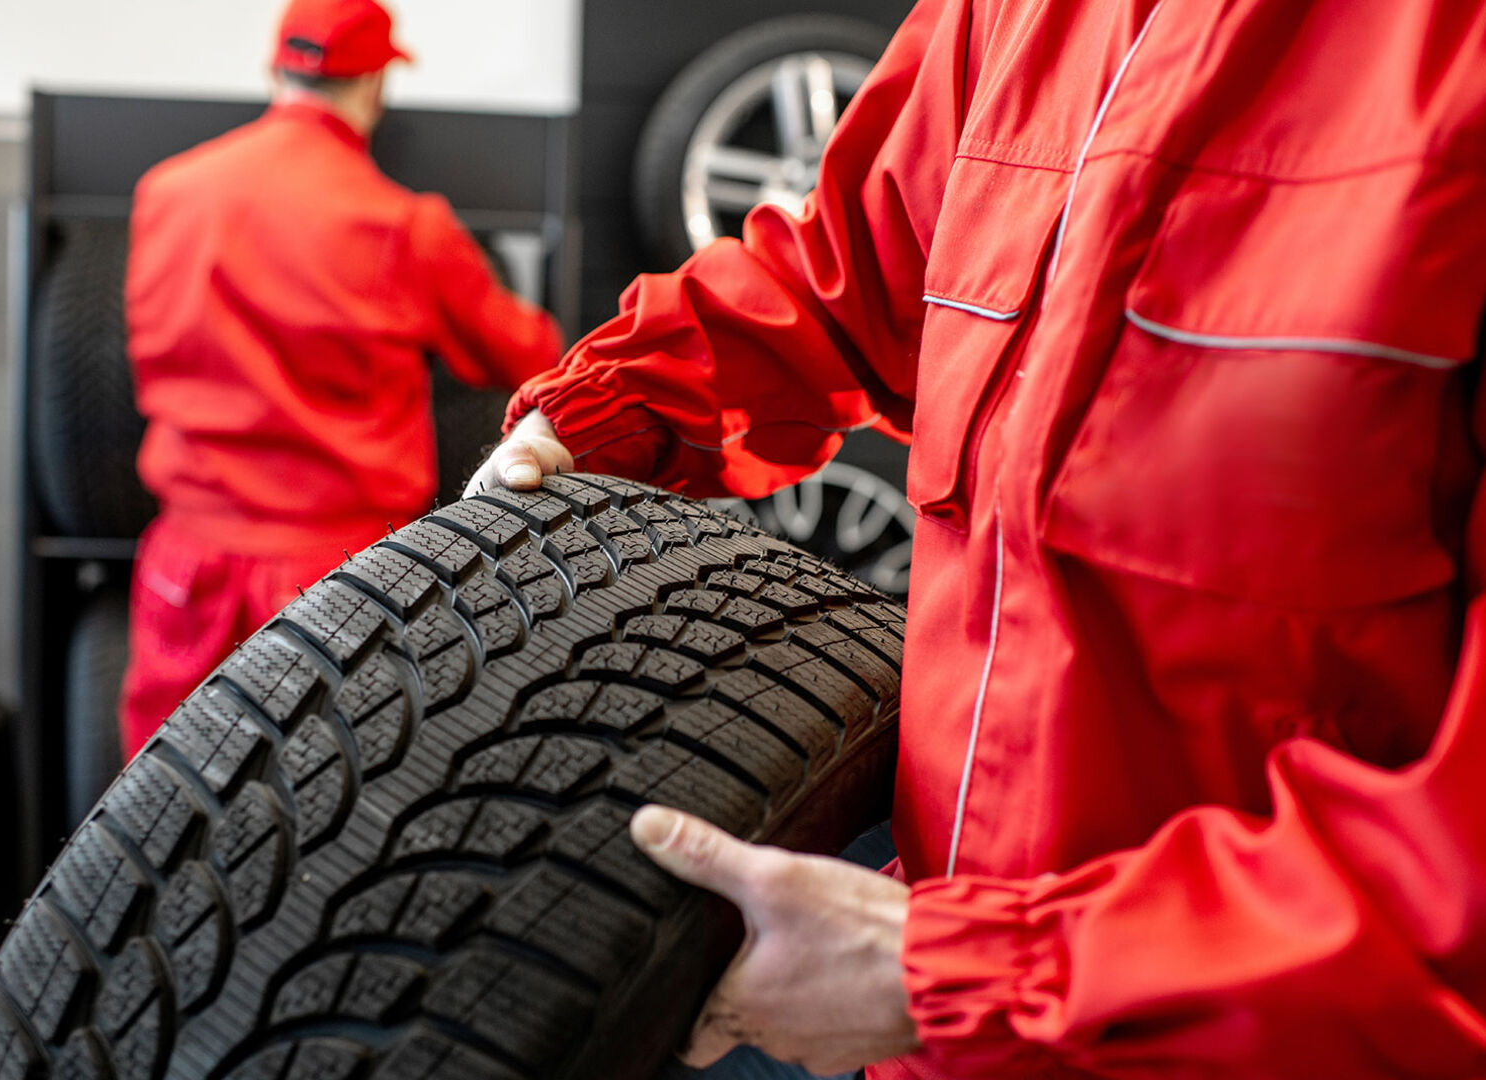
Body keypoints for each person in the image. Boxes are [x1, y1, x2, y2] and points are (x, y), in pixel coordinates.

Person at [467, 1, 1486, 1077]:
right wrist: (612, 407)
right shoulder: (1016, 14)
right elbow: (849, 276)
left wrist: (980, 974)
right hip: (924, 1021)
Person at [120, 0, 561, 757]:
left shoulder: (167, 192)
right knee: (330, 828)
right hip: (340, 580)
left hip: (184, 569)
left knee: (159, 814)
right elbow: (528, 352)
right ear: (375, 85)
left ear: (274, 69)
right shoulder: (401, 225)